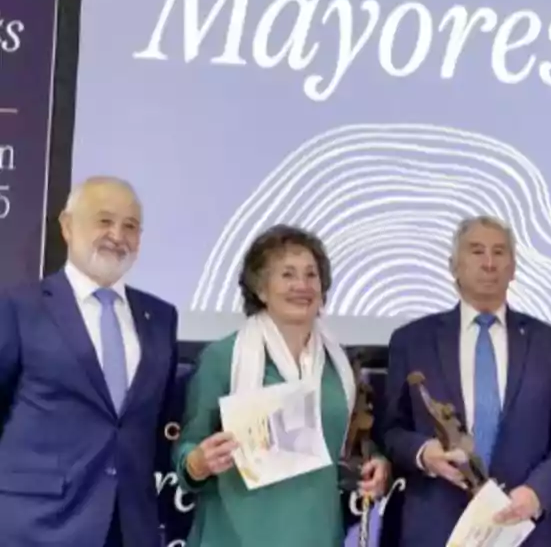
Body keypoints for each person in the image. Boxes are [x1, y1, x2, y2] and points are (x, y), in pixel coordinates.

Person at [174, 225, 390, 546]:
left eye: (311, 275)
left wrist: (377, 466)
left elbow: (349, 448)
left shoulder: (339, 367)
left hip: (317, 535)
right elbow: (188, 448)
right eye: (287, 274)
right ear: (261, 289)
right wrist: (197, 462)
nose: (302, 286)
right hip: (234, 536)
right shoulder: (224, 357)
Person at [380, 215, 551, 546]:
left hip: (525, 527)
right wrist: (422, 453)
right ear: (453, 265)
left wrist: (537, 492)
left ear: (513, 268)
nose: (489, 263)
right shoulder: (412, 341)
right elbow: (390, 431)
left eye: (500, 252)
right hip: (436, 528)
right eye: (476, 251)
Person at [0, 176, 178, 547]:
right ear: (67, 226)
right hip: (36, 525)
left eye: (130, 226)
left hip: (131, 527)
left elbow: (156, 422)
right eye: (104, 220)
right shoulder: (19, 307)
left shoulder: (161, 318)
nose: (118, 235)